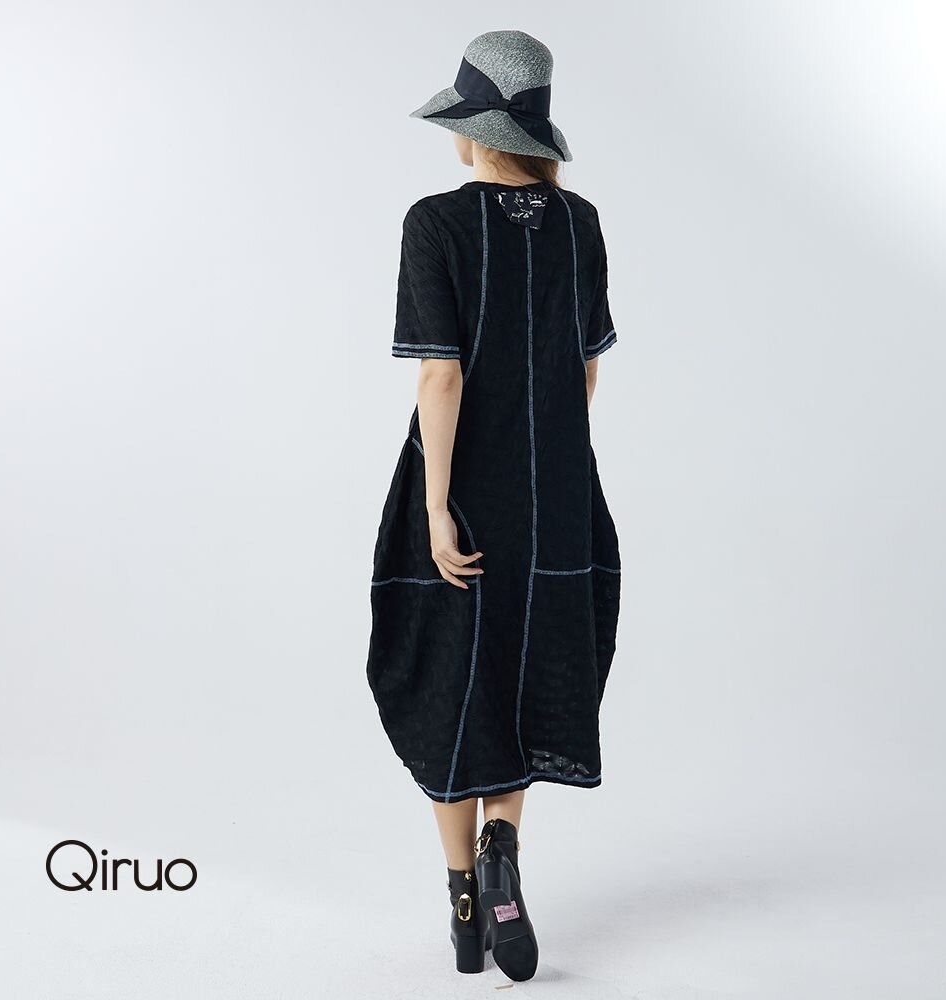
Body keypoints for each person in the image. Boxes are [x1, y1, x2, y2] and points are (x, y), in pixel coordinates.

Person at [366, 30, 621, 981]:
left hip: (464, 487)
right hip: (558, 491)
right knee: (527, 670)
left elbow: (441, 374)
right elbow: (584, 372)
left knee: (447, 679)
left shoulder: (435, 222)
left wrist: (437, 506)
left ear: (475, 128)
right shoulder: (579, 223)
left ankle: (465, 900)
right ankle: (506, 846)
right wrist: (549, 462)